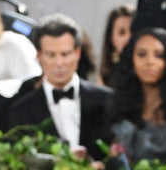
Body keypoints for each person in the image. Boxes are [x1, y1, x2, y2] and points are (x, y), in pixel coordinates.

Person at [7, 15, 113, 162]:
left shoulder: (107, 100)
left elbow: (120, 156)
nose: (59, 63)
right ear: (39, 56)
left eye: (65, 54)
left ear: (78, 53)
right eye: (51, 55)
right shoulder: (21, 111)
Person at [108, 27, 166, 164]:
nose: (149, 62)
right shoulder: (123, 99)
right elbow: (112, 150)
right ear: (131, 60)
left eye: (159, 56)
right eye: (141, 54)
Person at [99, 5, 134, 87]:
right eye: (122, 33)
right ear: (111, 38)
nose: (128, 38)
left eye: (133, 31)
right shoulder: (105, 80)